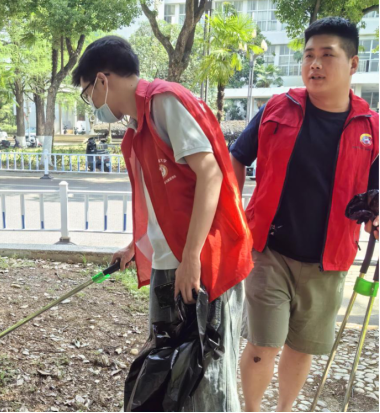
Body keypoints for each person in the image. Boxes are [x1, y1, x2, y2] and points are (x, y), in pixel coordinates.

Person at [72, 36, 253, 412]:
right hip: (169, 265)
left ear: (102, 80)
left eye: (88, 93)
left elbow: (210, 174)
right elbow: (164, 202)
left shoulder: (164, 102)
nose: (92, 104)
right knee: (172, 372)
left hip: (203, 265)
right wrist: (135, 246)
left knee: (207, 377)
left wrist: (191, 257)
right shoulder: (138, 128)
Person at [230, 17, 379, 412]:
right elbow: (237, 158)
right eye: (309, 55)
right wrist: (233, 209)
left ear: (353, 64)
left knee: (301, 348)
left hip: (328, 260)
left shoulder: (371, 128)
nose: (314, 64)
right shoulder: (278, 108)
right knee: (262, 345)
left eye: (327, 55)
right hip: (270, 250)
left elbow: (375, 197)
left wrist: (375, 218)